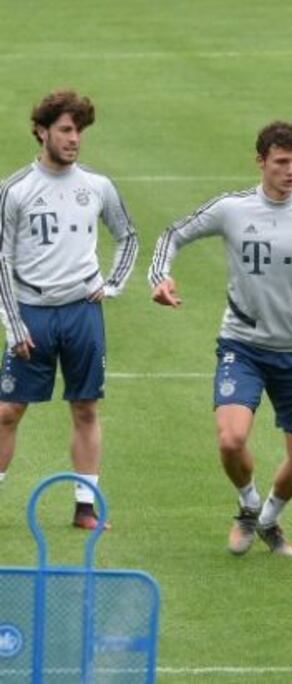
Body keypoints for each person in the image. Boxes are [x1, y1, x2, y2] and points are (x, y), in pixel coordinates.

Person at [148, 121, 292, 556]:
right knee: (231, 439)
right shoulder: (232, 209)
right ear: (261, 162)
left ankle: (270, 518)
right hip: (243, 345)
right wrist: (160, 278)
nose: (290, 171)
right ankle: (248, 505)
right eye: (281, 162)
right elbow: (172, 234)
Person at [0, 89, 139, 529]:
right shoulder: (15, 190)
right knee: (7, 410)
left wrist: (112, 284)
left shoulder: (97, 187)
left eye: (78, 130)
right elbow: (1, 259)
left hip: (82, 311)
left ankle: (85, 507)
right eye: (65, 129)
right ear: (41, 131)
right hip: (33, 311)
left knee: (85, 407)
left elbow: (128, 236)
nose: (74, 138)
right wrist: (13, 322)